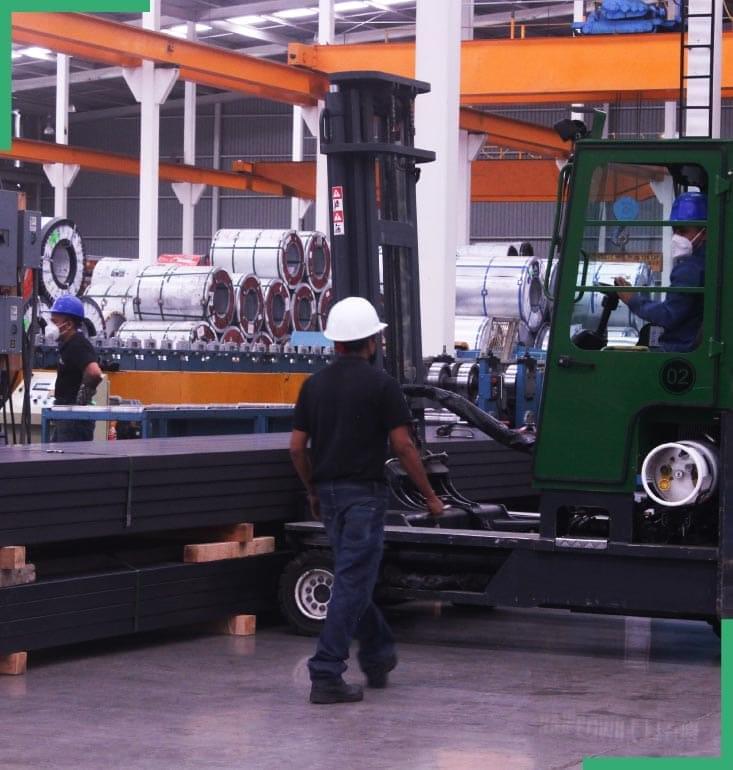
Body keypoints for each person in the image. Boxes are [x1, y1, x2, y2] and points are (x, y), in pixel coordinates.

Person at [290, 296, 444, 705]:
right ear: (371, 341)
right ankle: (325, 672)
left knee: (353, 581)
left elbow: (296, 447)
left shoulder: (314, 385)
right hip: (364, 498)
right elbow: (403, 445)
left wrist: (312, 488)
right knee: (352, 583)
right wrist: (430, 496)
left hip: (330, 495)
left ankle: (377, 653)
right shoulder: (382, 385)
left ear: (336, 342)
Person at [614, 191, 706, 352]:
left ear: (704, 233)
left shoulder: (690, 269)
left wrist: (633, 300)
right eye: (675, 230)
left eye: (683, 231)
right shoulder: (706, 263)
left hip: (678, 350)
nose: (676, 237)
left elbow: (668, 315)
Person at [50, 296, 103, 442]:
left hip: (73, 419)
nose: (51, 326)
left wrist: (80, 401)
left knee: (68, 462)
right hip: (66, 415)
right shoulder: (67, 345)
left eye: (55, 322)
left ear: (68, 324)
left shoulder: (77, 344)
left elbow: (94, 373)